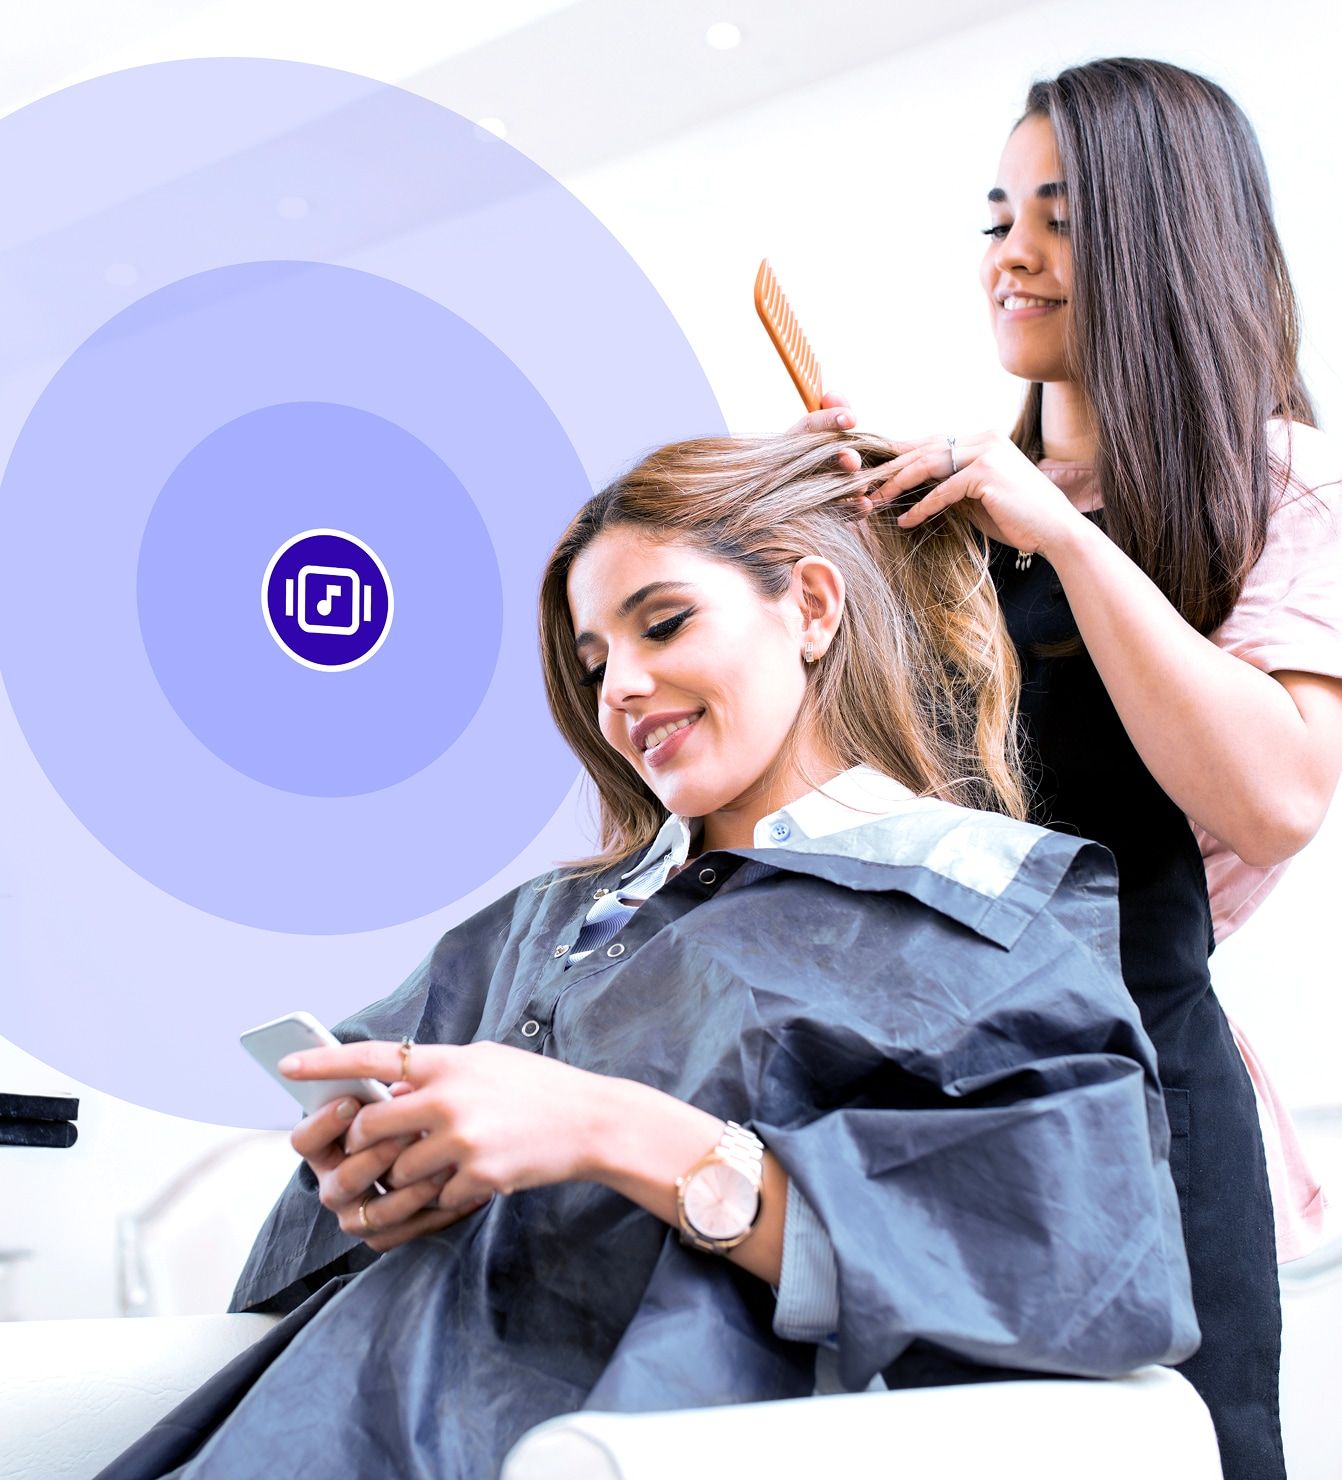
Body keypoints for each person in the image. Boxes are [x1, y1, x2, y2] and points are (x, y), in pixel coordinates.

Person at [102, 432, 1196, 1479]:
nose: (619, 687)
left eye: (662, 624)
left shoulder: (980, 911)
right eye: (593, 663)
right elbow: (321, 1232)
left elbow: (1086, 1272)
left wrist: (606, 1128)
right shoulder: (535, 922)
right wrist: (369, 1174)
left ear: (810, 606)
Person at [799, 57, 1342, 1480]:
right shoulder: (934, 516)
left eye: (1061, 214)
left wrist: (1065, 534)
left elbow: (1276, 797)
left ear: (1165, 238)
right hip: (931, 1116)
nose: (1011, 254)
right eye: (996, 215)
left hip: (1146, 1109)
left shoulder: (1285, 487)